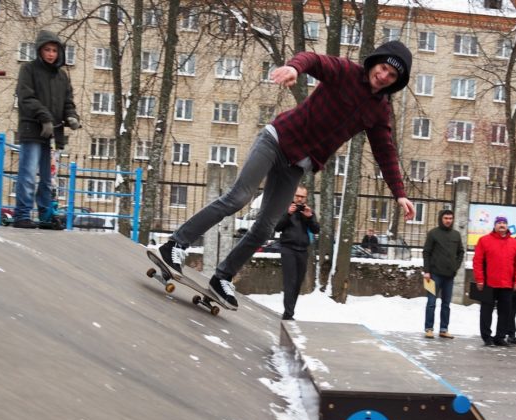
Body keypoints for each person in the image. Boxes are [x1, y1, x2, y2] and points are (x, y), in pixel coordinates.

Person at [156, 41, 415, 309]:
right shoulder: (346, 71)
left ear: (396, 81)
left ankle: (223, 276)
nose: (383, 76)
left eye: (391, 75)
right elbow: (313, 59)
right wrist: (294, 68)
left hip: (297, 165)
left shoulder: (379, 110)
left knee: (266, 226)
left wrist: (400, 194)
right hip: (276, 140)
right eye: (383, 68)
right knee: (238, 198)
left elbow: (385, 151)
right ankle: (176, 244)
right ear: (375, 62)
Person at [14, 30, 79, 229]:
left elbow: (68, 101)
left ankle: (45, 215)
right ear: (39, 51)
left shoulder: (61, 76)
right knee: (28, 173)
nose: (51, 54)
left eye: (54, 50)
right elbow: (26, 97)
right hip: (32, 129)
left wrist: (72, 116)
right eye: (47, 50)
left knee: (48, 177)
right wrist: (44, 116)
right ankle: (22, 214)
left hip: (52, 133)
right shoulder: (29, 70)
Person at [473, 216, 516, 346]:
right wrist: (479, 279)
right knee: (486, 312)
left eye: (504, 223)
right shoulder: (484, 240)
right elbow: (477, 261)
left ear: (507, 226)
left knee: (505, 312)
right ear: (494, 226)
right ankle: (487, 337)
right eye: (499, 223)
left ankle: (500, 337)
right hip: (488, 283)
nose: (502, 225)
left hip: (507, 283)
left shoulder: (514, 243)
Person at [275, 185, 320, 321]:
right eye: (297, 196)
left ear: (306, 198)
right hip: (288, 249)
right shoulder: (286, 208)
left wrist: (310, 217)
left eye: (302, 196)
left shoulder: (308, 212)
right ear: (293, 196)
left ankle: (289, 312)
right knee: (290, 281)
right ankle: (289, 314)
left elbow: (316, 230)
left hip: (302, 251)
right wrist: (288, 214)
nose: (299, 199)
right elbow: (277, 227)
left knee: (297, 283)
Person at [422, 210, 465, 339]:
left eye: (450, 218)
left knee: (446, 304)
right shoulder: (433, 233)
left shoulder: (456, 235)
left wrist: (455, 267)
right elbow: (426, 252)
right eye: (446, 218)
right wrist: (427, 271)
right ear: (441, 219)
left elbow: (461, 252)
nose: (448, 220)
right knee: (431, 302)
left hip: (449, 276)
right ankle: (429, 329)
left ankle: (443, 329)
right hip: (434, 275)